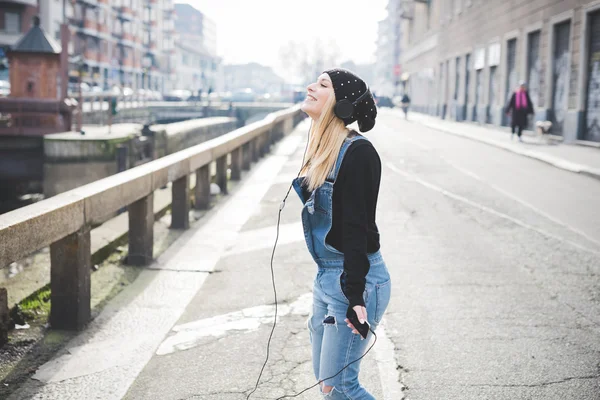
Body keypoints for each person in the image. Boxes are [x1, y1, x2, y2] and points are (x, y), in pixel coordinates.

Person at [293, 68, 391, 399]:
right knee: (327, 383)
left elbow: (357, 230)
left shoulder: (358, 153)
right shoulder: (324, 151)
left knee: (341, 388)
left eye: (322, 85)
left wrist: (354, 296)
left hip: (354, 278)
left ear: (342, 105)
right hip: (327, 279)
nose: (310, 87)